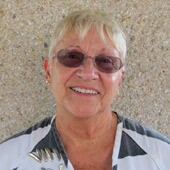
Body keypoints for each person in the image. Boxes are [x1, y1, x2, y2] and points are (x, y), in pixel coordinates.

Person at [0, 9, 169, 170]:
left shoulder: (162, 157)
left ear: (119, 80)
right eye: (72, 57)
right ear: (49, 70)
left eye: (105, 61)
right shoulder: (8, 159)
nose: (88, 74)